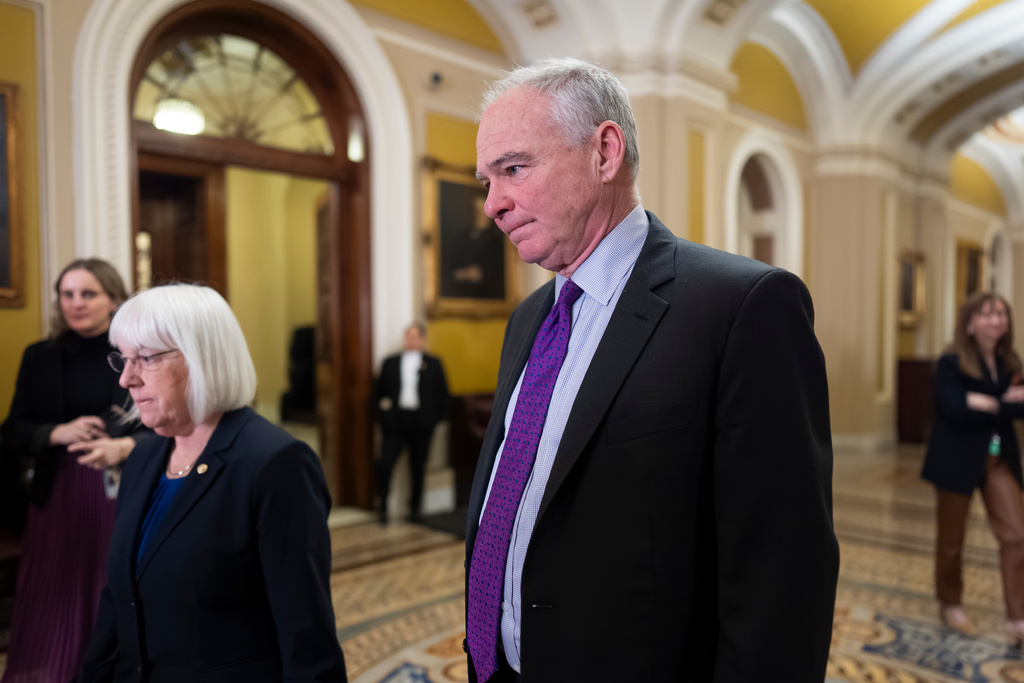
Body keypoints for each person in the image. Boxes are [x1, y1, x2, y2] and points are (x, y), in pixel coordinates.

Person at [464, 57, 838, 682]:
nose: (493, 206)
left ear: (604, 153)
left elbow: (781, 578)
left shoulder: (742, 306)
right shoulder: (529, 317)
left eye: (514, 170)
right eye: (485, 183)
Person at [78, 283, 346, 682]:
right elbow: (118, 603)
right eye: (124, 360)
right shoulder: (145, 456)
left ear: (202, 359)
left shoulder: (275, 463)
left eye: (146, 358)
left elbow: (306, 636)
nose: (127, 380)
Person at [0, 258, 141, 683]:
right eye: (67, 294)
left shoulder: (135, 353)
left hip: (121, 490)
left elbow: (167, 429)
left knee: (109, 589)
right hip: (57, 489)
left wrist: (123, 445)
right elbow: (12, 430)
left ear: (114, 299)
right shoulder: (40, 356)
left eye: (88, 294)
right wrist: (55, 432)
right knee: (52, 595)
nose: (75, 303)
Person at [921, 292, 1024, 643]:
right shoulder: (951, 362)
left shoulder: (1011, 362)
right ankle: (951, 602)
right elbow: (952, 406)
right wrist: (1003, 402)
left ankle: (1017, 616)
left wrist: (983, 401)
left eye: (1002, 314)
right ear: (970, 323)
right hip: (955, 459)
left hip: (998, 460)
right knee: (951, 541)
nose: (997, 319)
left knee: (1018, 534)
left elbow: (1020, 409)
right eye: (988, 313)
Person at [373, 322, 450, 524]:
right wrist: (385, 418)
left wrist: (433, 421)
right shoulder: (390, 362)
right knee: (387, 464)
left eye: (416, 336)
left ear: (422, 339)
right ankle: (383, 509)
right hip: (396, 422)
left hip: (421, 423)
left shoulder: (433, 363)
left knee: (418, 467)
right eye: (408, 336)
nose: (411, 340)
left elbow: (443, 395)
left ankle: (415, 509)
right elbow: (377, 394)